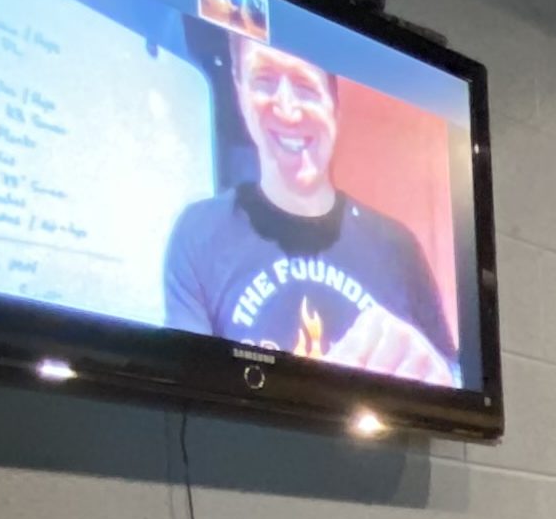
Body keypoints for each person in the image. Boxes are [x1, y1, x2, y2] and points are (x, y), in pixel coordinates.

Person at [164, 37, 461, 386]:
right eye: (265, 81)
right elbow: (186, 382)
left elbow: (456, 381)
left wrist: (440, 374)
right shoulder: (199, 232)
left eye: (305, 87)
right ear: (239, 89)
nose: (288, 109)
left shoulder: (397, 246)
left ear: (334, 106)